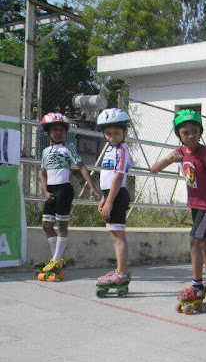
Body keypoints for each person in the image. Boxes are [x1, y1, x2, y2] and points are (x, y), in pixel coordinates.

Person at [150, 109, 206, 309]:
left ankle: (197, 286)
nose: (191, 135)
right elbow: (153, 169)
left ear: (200, 132)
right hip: (195, 205)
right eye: (186, 133)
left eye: (194, 131)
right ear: (179, 135)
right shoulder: (180, 153)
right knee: (204, 242)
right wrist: (169, 159)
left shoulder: (205, 155)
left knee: (194, 241)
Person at [37, 112, 100, 274]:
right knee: (46, 225)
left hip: (64, 189)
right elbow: (43, 173)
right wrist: (45, 191)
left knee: (61, 224)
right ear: (48, 132)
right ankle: (56, 258)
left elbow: (81, 167)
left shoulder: (68, 148)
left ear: (65, 132)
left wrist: (91, 186)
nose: (58, 133)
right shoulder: (45, 152)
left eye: (61, 130)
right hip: (50, 191)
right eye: (54, 130)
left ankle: (56, 260)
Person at [95, 108, 134, 289]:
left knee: (118, 236)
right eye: (108, 133)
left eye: (117, 133)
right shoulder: (111, 149)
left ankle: (122, 274)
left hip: (117, 196)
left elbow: (118, 178)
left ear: (125, 132)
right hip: (110, 195)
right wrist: (104, 198)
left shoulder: (123, 150)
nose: (112, 137)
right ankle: (120, 270)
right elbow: (107, 177)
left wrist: (110, 201)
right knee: (114, 234)